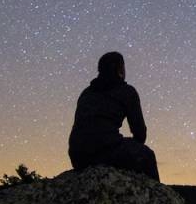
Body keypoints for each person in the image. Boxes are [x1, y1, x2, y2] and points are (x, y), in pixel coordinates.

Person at [68, 51, 160, 180]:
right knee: (147, 156)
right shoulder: (127, 92)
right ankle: (156, 198)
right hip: (104, 151)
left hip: (77, 155)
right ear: (119, 69)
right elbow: (140, 132)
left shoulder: (87, 92)